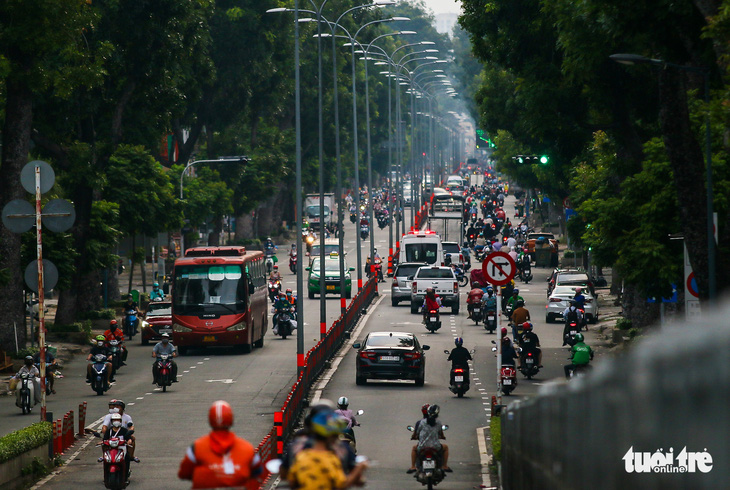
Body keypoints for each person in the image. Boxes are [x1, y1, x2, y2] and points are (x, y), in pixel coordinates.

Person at [178, 400, 262, 488]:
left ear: (210, 420)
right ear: (231, 419)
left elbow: (184, 473)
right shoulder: (247, 448)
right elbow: (257, 471)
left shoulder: (197, 447)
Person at [407, 404, 451, 474]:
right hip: (436, 447)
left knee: (414, 448)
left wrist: (414, 436)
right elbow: (441, 434)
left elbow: (416, 433)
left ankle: (412, 466)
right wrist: (442, 437)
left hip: (422, 447)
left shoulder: (421, 422)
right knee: (445, 447)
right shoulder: (439, 423)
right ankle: (445, 466)